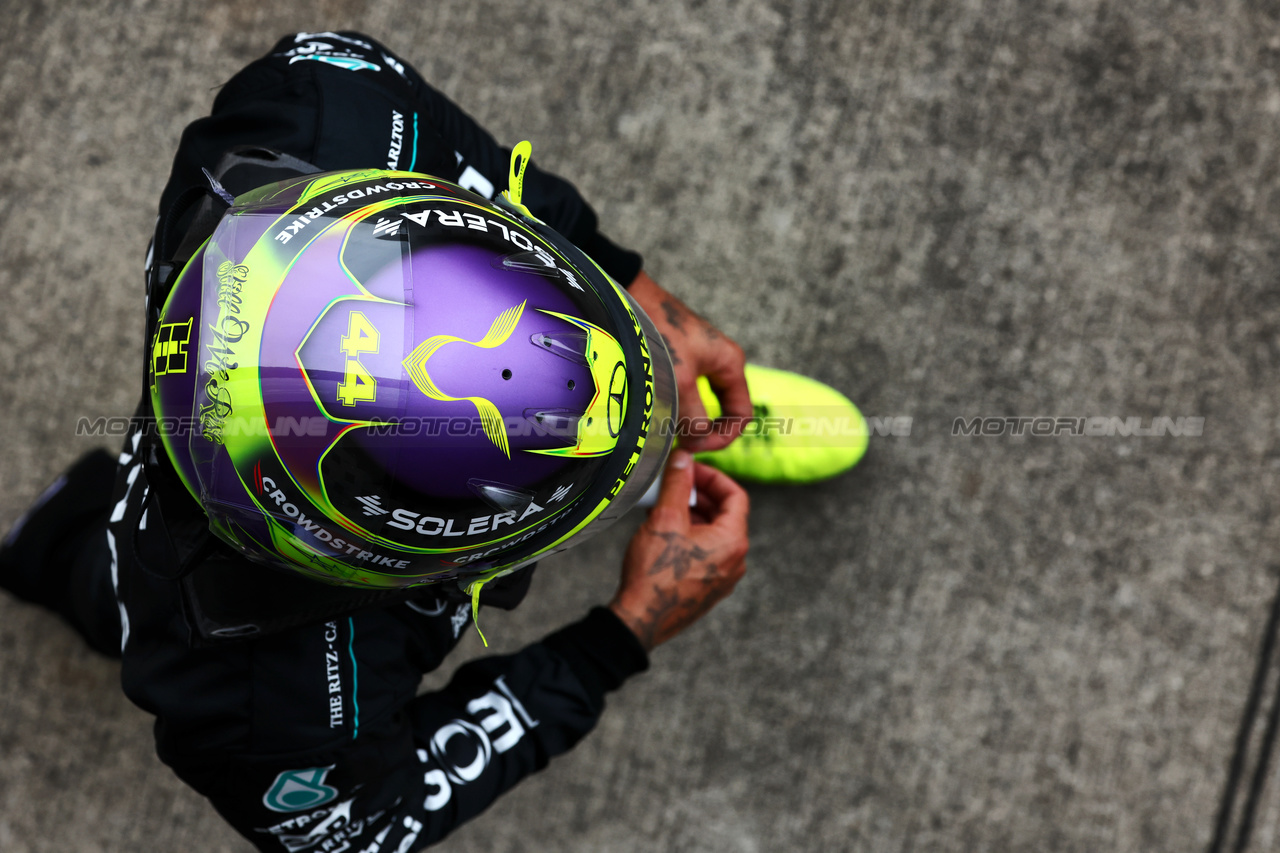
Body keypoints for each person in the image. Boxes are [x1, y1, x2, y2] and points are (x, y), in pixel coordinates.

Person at [0, 31, 756, 852]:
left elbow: (435, 133)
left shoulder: (328, 106)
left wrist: (643, 299)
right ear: (373, 563)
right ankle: (49, 538)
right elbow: (361, 829)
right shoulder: (262, 705)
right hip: (192, 595)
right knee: (115, 578)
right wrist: (621, 634)